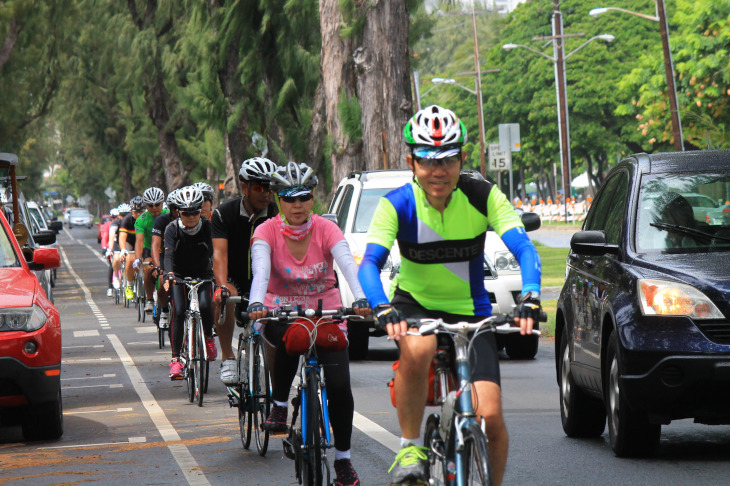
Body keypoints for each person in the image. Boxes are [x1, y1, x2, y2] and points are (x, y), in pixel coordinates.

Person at [357, 105, 542, 486]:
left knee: (489, 415)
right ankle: (410, 447)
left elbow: (525, 250)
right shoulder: (397, 203)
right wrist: (382, 307)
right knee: (419, 349)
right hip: (414, 305)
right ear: (412, 161)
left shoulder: (483, 196)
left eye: (448, 160)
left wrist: (532, 295)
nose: (438, 171)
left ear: (462, 159)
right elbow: (369, 265)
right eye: (427, 160)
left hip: (472, 312)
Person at [247, 161, 371, 486]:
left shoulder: (328, 228)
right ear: (277, 199)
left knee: (341, 388)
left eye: (303, 196)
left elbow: (347, 265)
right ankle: (278, 404)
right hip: (280, 312)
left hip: (325, 312)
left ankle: (343, 460)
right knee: (296, 337)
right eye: (288, 197)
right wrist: (256, 304)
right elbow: (260, 273)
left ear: (313, 197)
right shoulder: (265, 231)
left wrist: (360, 298)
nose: (297, 204)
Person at [211, 157, 279, 385]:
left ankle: (273, 387)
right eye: (259, 188)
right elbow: (219, 254)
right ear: (244, 187)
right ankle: (228, 357)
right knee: (223, 297)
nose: (266, 194)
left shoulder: (276, 214)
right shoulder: (224, 213)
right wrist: (222, 285)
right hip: (234, 278)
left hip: (264, 279)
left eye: (269, 189)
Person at [163, 186, 216, 379]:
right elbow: (167, 254)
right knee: (178, 311)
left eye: (195, 211)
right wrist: (168, 274)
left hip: (203, 273)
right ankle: (176, 360)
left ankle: (208, 339)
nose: (192, 216)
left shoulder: (208, 227)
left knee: (204, 305)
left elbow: (215, 254)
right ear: (178, 212)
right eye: (186, 213)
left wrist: (218, 275)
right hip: (178, 274)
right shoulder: (172, 229)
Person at [134, 187, 169, 313]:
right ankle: (149, 299)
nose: (154, 208)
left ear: (162, 203)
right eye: (150, 205)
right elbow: (139, 241)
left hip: (167, 249)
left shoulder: (169, 214)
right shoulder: (141, 220)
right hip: (149, 249)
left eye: (157, 204)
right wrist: (137, 259)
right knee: (148, 269)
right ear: (146, 205)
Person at [151, 189, 180, 329]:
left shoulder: (193, 220)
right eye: (176, 208)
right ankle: (164, 310)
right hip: (165, 254)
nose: (179, 211)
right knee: (163, 280)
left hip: (183, 256)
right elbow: (155, 244)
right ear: (170, 209)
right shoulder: (162, 220)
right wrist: (157, 266)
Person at [118, 196, 145, 300]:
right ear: (131, 211)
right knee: (130, 259)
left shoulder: (147, 218)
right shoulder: (127, 220)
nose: (138, 214)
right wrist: (123, 250)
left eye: (141, 212)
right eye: (135, 212)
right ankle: (129, 284)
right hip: (130, 242)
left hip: (142, 241)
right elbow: (122, 237)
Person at [109, 204, 127, 292]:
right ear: (119, 216)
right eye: (123, 215)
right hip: (117, 244)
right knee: (116, 259)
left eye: (127, 214)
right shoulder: (115, 224)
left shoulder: (133, 222)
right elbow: (111, 237)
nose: (124, 217)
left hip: (128, 243)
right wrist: (110, 249)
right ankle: (116, 276)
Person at [102, 208, 117, 297]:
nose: (115, 219)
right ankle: (110, 287)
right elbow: (104, 237)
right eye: (113, 217)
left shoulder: (122, 224)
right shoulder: (107, 225)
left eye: (117, 217)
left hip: (120, 247)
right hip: (110, 248)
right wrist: (105, 248)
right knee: (112, 265)